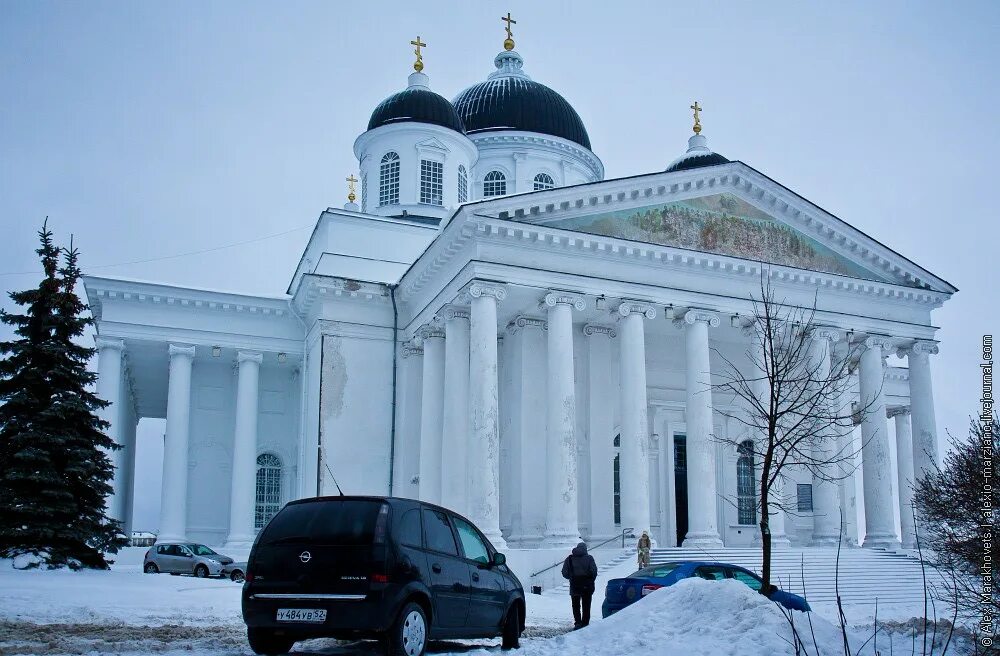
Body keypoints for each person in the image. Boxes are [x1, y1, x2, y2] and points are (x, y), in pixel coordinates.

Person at [561, 542, 598, 629]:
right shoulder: (589, 558)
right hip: (587, 586)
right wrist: (589, 580)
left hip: (575, 585)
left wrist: (571, 577)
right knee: (586, 605)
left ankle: (578, 622)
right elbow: (594, 571)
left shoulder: (569, 559)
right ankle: (585, 624)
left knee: (576, 605)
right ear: (585, 549)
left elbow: (564, 572)